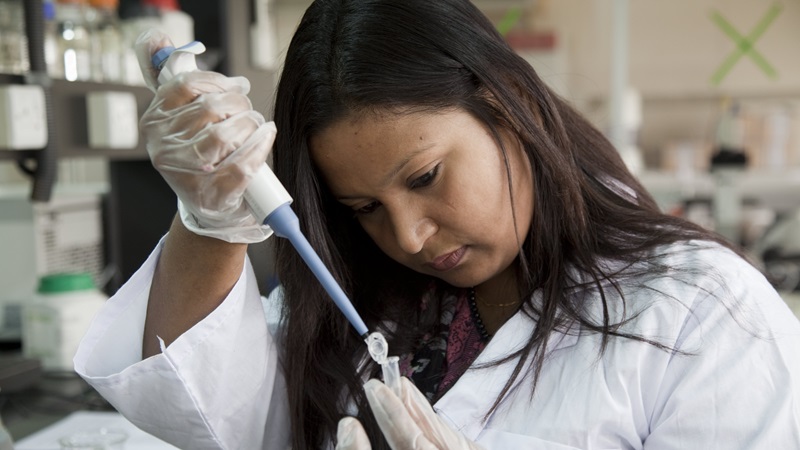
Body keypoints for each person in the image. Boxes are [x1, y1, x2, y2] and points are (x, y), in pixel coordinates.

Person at [74, 0, 800, 449]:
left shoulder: (701, 313)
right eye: (363, 209)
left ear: (511, 103)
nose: (410, 236)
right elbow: (215, 416)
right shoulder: (363, 299)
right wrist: (210, 215)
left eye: (424, 178)